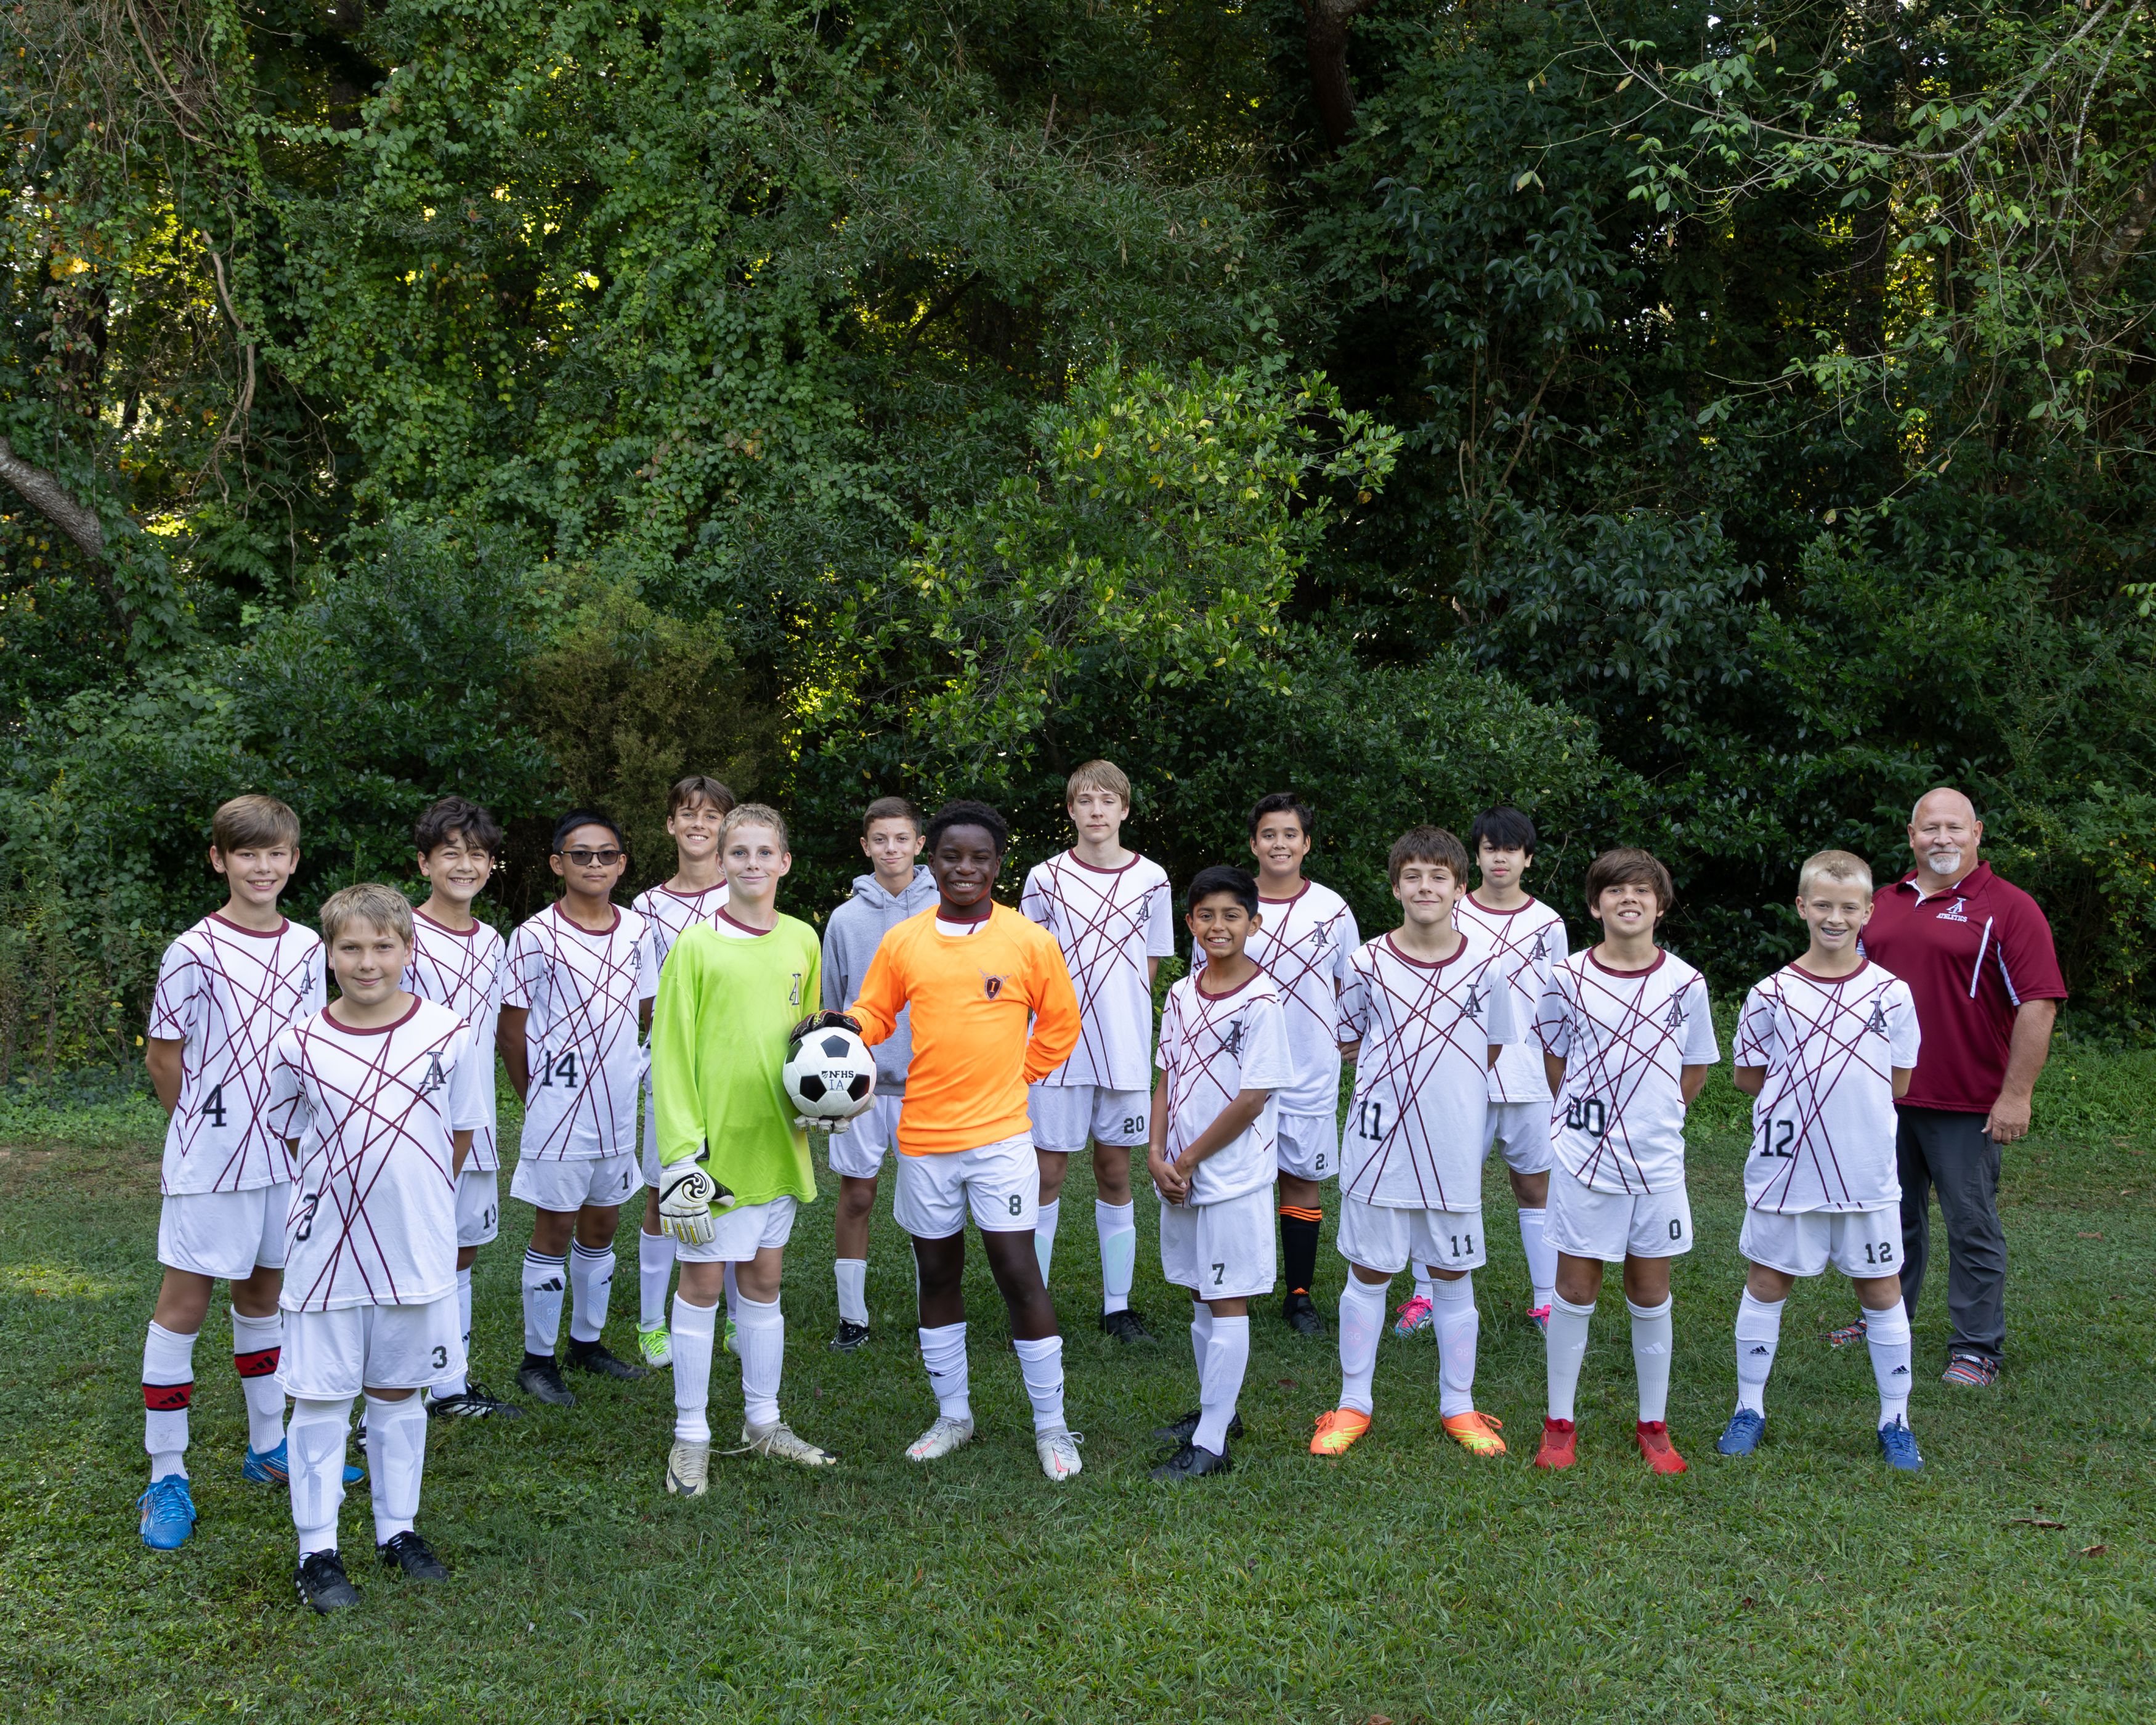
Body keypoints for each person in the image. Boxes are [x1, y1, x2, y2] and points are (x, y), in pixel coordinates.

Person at [841, 800, 1086, 1482]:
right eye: (951, 856)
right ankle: (954, 1413)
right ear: (932, 862)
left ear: (998, 865)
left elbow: (1061, 1025)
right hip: (922, 1137)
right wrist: (843, 1027)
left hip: (1001, 1139)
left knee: (1017, 1272)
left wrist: (1020, 1072)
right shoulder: (907, 940)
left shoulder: (1026, 940)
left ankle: (1052, 1426)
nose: (964, 868)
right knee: (938, 1273)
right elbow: (875, 1009)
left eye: (979, 857)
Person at [267, 883, 492, 1612]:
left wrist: (411, 1199)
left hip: (413, 1247)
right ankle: (316, 1550)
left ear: (409, 948)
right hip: (325, 1250)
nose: (368, 963)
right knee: (323, 1398)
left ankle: (398, 1530)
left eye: (383, 946)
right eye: (351, 948)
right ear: (328, 954)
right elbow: (291, 1132)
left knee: (399, 1393)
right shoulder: (297, 1042)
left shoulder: (450, 1032)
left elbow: (459, 1134)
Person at [137, 794, 328, 1552]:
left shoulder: (313, 946)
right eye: (246, 853)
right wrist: (205, 1131)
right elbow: (164, 1055)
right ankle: (167, 1473)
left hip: (289, 1155)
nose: (262, 866)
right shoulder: (194, 949)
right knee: (184, 1304)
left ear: (292, 860)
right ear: (220, 860)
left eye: (275, 853)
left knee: (264, 1296)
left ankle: (266, 1447)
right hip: (212, 1163)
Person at [1831, 787, 2066, 1387]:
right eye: (1929, 827)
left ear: (1976, 833)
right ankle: (1884, 1317)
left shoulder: (2008, 908)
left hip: (1965, 1102)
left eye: (1953, 827)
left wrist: (2015, 1095)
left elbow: (2037, 1004)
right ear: (1910, 836)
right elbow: (1845, 989)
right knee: (1886, 1219)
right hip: (1883, 1099)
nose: (1941, 838)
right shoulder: (1879, 903)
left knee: (1971, 1226)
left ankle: (1976, 1345)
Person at [649, 804, 838, 1491]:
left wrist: (826, 1104)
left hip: (776, 1143)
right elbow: (669, 1055)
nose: (752, 865)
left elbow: (809, 1042)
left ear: (785, 862)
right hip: (710, 1151)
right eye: (740, 853)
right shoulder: (696, 946)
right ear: (721, 862)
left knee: (762, 1282)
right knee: (701, 1285)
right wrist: (680, 1156)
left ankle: (763, 1422)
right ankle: (690, 1434)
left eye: (765, 853)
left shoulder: (801, 938)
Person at [1311, 828, 1517, 1461]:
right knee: (1368, 1272)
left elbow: (1491, 1049)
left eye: (1437, 876)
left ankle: (1458, 1404)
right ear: (1394, 884)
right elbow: (1349, 1041)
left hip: (1451, 1150)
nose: (1424, 887)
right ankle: (1352, 1402)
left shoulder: (1486, 968)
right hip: (1378, 1149)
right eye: (1412, 876)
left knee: (1453, 1277)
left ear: (1460, 887)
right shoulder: (1366, 961)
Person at [1718, 851, 1925, 1471]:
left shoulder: (1891, 994)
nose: (1834, 918)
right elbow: (1747, 1076)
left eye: (1847, 907)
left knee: (1881, 1290)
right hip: (1786, 1170)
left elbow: (1900, 1081)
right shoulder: (1769, 993)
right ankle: (1747, 1407)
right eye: (1822, 905)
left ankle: (1895, 1419)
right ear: (1801, 907)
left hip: (1864, 1173)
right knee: (1765, 1281)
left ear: (1866, 912)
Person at [1533, 848, 1719, 1475]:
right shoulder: (1564, 978)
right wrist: (1590, 1121)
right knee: (1574, 1286)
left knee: (1649, 1288)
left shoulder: (1685, 983)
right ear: (1594, 905)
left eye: (1641, 891)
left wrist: (1651, 1118)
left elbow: (1692, 1070)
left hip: (1656, 1162)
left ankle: (1652, 1424)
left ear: (1660, 906)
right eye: (1614, 891)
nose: (1628, 900)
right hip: (1584, 1159)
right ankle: (1559, 1422)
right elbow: (1554, 1059)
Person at [499, 810, 657, 1407]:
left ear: (621, 862)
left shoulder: (638, 930)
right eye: (581, 854)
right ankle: (535, 1360)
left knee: (602, 1225)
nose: (594, 864)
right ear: (556, 863)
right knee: (554, 1228)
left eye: (606, 854)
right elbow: (510, 1030)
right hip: (558, 1113)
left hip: (616, 1111)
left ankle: (585, 1344)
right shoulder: (535, 935)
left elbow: (644, 1011)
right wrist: (535, 1098)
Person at [1021, 760, 1177, 1342]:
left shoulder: (1152, 879)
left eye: (1107, 801)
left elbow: (1152, 963)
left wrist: (1119, 1017)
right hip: (1056, 1050)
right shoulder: (1045, 878)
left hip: (1125, 1050)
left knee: (1116, 1171)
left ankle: (1118, 1305)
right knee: (1047, 1172)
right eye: (1084, 801)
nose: (1096, 811)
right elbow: (1029, 962)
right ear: (1070, 810)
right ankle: (1031, 1303)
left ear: (1124, 810)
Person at [1145, 865, 1290, 1481]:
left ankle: (1211, 1446)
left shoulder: (1262, 1001)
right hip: (1178, 1171)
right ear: (1189, 924)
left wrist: (1185, 1159)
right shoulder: (1179, 994)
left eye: (1231, 915)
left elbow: (1251, 1098)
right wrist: (1154, 1154)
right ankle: (1216, 1410)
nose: (1217, 926)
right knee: (1201, 1292)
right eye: (1205, 915)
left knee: (1227, 1299)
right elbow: (1166, 1078)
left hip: (1230, 1176)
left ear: (1253, 923)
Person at [1412, 805, 1566, 1334]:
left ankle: (1547, 1302)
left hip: (1526, 1078)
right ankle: (1424, 1296)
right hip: (1460, 1077)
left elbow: (1556, 1007)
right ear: (1475, 856)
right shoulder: (1452, 910)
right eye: (1489, 848)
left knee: (1534, 1188)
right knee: (1441, 1186)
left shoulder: (1549, 924)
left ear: (1528, 858)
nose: (1500, 858)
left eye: (1511, 849)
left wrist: (1557, 1078)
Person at [402, 795, 520, 1421]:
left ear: (492, 865)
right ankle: (389, 1399)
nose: (464, 864)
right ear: (424, 863)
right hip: (415, 1126)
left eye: (476, 854)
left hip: (474, 1124)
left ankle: (450, 1384)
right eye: (450, 853)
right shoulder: (402, 934)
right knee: (409, 1256)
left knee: (461, 1250)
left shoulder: (493, 941)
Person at [1233, 793, 1360, 1336]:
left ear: (1306, 844)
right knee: (1239, 1177)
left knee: (1301, 1178)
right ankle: (1234, 1283)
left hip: (1309, 1067)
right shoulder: (1233, 901)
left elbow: (1348, 985)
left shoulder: (1331, 908)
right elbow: (1207, 981)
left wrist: (1338, 1039)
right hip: (1239, 1072)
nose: (1279, 844)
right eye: (1269, 834)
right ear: (1254, 842)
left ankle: (1299, 1294)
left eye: (1290, 834)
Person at [820, 795, 937, 1352]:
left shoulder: (947, 911)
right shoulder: (844, 919)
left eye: (902, 839)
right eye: (880, 840)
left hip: (928, 1083)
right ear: (865, 847)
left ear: (920, 845)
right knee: (858, 1195)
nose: (892, 849)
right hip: (858, 1083)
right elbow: (833, 1002)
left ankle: (933, 1315)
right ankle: (852, 1317)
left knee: (926, 1200)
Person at [628, 774, 737, 1371]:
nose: (698, 824)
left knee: (737, 1186)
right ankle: (652, 1324)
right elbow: (646, 998)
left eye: (711, 815)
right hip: (670, 1066)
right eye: (687, 814)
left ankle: (739, 1318)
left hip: (736, 1068)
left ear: (725, 825)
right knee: (662, 1191)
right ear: (670, 824)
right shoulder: (646, 906)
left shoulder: (743, 894)